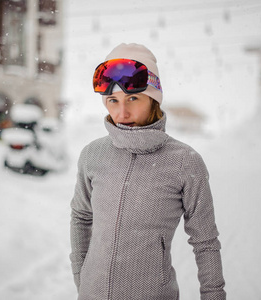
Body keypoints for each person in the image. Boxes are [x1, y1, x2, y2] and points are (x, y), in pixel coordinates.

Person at [70, 43, 226, 300]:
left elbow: (205, 241)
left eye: (132, 98)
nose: (122, 112)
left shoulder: (185, 162)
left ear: (152, 98)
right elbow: (81, 217)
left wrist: (214, 296)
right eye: (112, 101)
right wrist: (82, 277)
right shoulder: (93, 154)